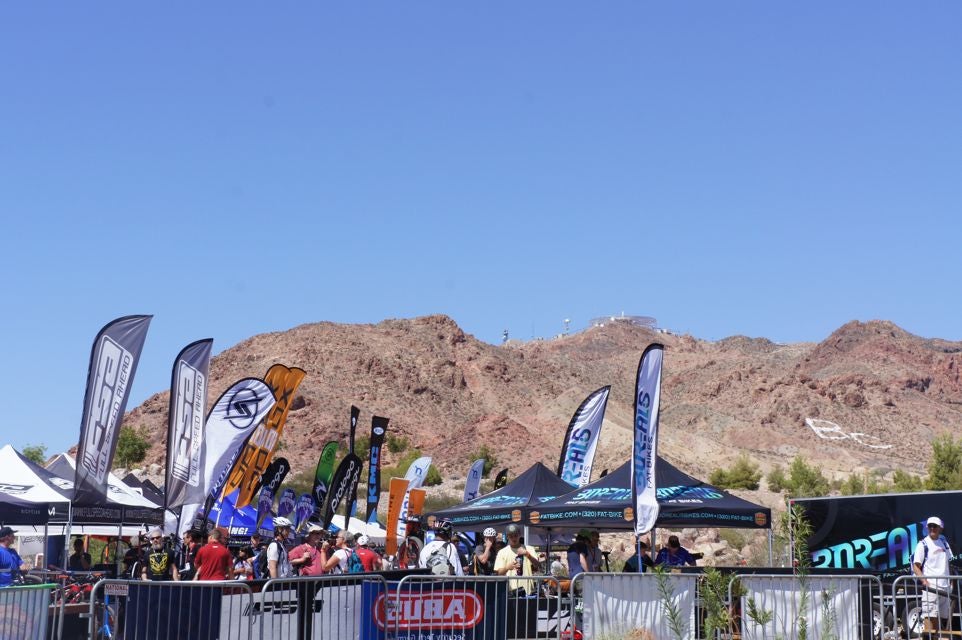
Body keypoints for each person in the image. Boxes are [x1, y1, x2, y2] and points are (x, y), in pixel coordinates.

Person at [913, 516, 954, 634]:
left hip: (945, 587)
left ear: (940, 528)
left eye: (935, 526)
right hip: (931, 588)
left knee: (942, 618)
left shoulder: (944, 543)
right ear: (927, 527)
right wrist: (925, 582)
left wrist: (952, 581)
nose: (932, 528)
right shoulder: (922, 544)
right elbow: (916, 567)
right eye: (930, 526)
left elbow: (948, 563)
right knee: (930, 617)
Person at [495, 523, 540, 596]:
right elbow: (499, 573)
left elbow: (537, 565)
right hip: (510, 592)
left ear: (520, 535)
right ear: (507, 537)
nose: (513, 538)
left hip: (527, 592)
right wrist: (507, 567)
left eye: (515, 535)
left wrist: (527, 554)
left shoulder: (529, 549)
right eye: (511, 536)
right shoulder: (502, 552)